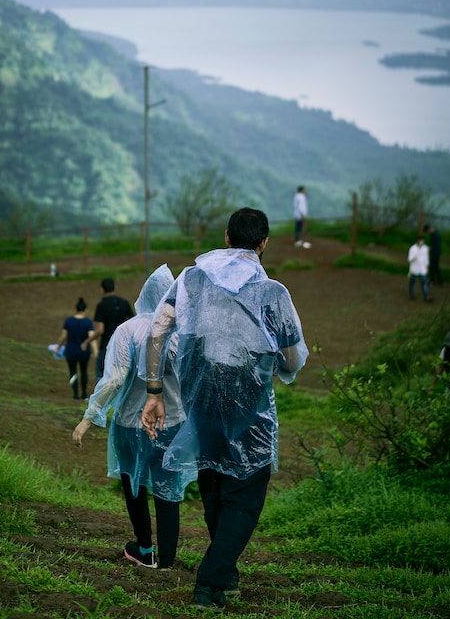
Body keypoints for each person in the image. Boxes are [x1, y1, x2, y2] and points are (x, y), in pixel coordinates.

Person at [141, 207, 308, 611]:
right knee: (246, 496)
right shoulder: (273, 293)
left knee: (214, 482)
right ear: (263, 243)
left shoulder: (191, 278)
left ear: (227, 237)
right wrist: (277, 365)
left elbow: (157, 331)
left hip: (201, 402)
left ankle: (225, 572)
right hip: (247, 407)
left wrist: (154, 390)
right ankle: (210, 581)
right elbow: (292, 358)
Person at [73, 264, 191, 570]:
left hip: (130, 424)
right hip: (172, 423)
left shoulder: (127, 331)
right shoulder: (182, 331)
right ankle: (166, 561)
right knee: (168, 490)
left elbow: (114, 379)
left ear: (143, 295)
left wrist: (90, 416)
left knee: (134, 485)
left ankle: (144, 548)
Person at [92, 277, 134, 382]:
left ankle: (102, 398)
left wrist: (87, 341)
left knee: (101, 375)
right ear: (115, 287)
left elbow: (100, 330)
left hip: (106, 345)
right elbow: (133, 322)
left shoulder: (101, 306)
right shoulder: (124, 303)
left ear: (102, 289)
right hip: (122, 346)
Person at [54, 297, 94, 400]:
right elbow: (91, 336)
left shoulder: (69, 321)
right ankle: (84, 393)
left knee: (73, 372)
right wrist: (95, 349)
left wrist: (57, 347)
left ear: (76, 309)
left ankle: (76, 393)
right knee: (84, 371)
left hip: (71, 351)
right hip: (84, 352)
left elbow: (63, 337)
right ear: (85, 310)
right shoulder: (88, 322)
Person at [407, 234, 430, 302]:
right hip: (414, 269)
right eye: (420, 241)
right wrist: (414, 258)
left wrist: (427, 267)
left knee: (424, 282)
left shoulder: (425, 248)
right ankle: (412, 295)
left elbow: (426, 258)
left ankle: (426, 296)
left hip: (422, 269)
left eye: (422, 241)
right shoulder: (413, 248)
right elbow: (409, 259)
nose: (421, 243)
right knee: (412, 282)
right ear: (417, 241)